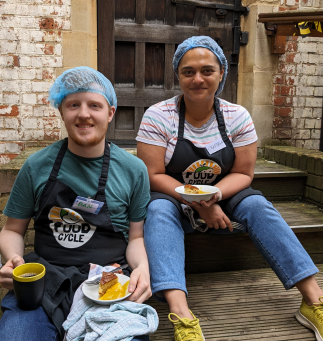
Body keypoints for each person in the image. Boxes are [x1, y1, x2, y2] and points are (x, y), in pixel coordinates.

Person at [136, 36, 323, 341]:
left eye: (207, 70)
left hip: (225, 191)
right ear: (178, 75)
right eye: (188, 72)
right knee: (156, 210)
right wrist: (200, 203)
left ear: (222, 73)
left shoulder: (237, 116)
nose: (198, 79)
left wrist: (215, 197)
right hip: (171, 194)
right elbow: (154, 174)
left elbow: (243, 173)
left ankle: (313, 300)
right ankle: (181, 314)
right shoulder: (159, 116)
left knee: (258, 205)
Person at [0, 67, 153, 341]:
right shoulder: (36, 167)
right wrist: (13, 261)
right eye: (73, 105)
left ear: (110, 113)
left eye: (94, 105)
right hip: (45, 281)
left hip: (109, 281)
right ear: (62, 111)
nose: (83, 114)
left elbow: (136, 237)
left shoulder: (133, 170)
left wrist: (142, 269)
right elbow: (12, 230)